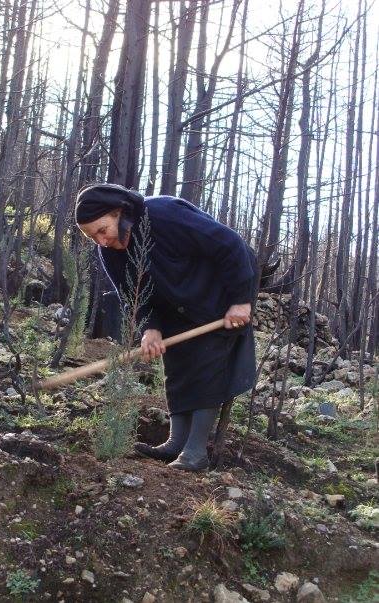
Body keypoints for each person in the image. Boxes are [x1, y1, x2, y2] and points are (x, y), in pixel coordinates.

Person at [75, 183, 258, 471]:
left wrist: (240, 299)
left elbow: (229, 244)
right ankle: (176, 443)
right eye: (92, 237)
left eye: (102, 230)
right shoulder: (109, 251)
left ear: (118, 212)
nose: (101, 241)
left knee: (207, 362)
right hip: (174, 300)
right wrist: (151, 328)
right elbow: (130, 295)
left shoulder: (165, 215)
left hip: (220, 292)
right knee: (177, 362)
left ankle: (195, 453)